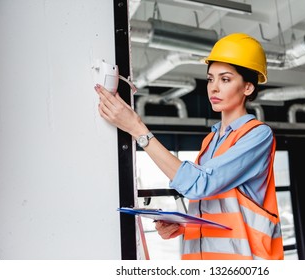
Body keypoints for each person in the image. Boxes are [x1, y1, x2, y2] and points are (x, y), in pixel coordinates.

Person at [95, 33, 284, 260]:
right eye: (210, 79)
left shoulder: (257, 135)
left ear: (248, 88)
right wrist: (183, 226)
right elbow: (217, 206)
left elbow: (200, 185)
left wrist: (137, 129)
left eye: (225, 79)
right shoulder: (211, 140)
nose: (213, 88)